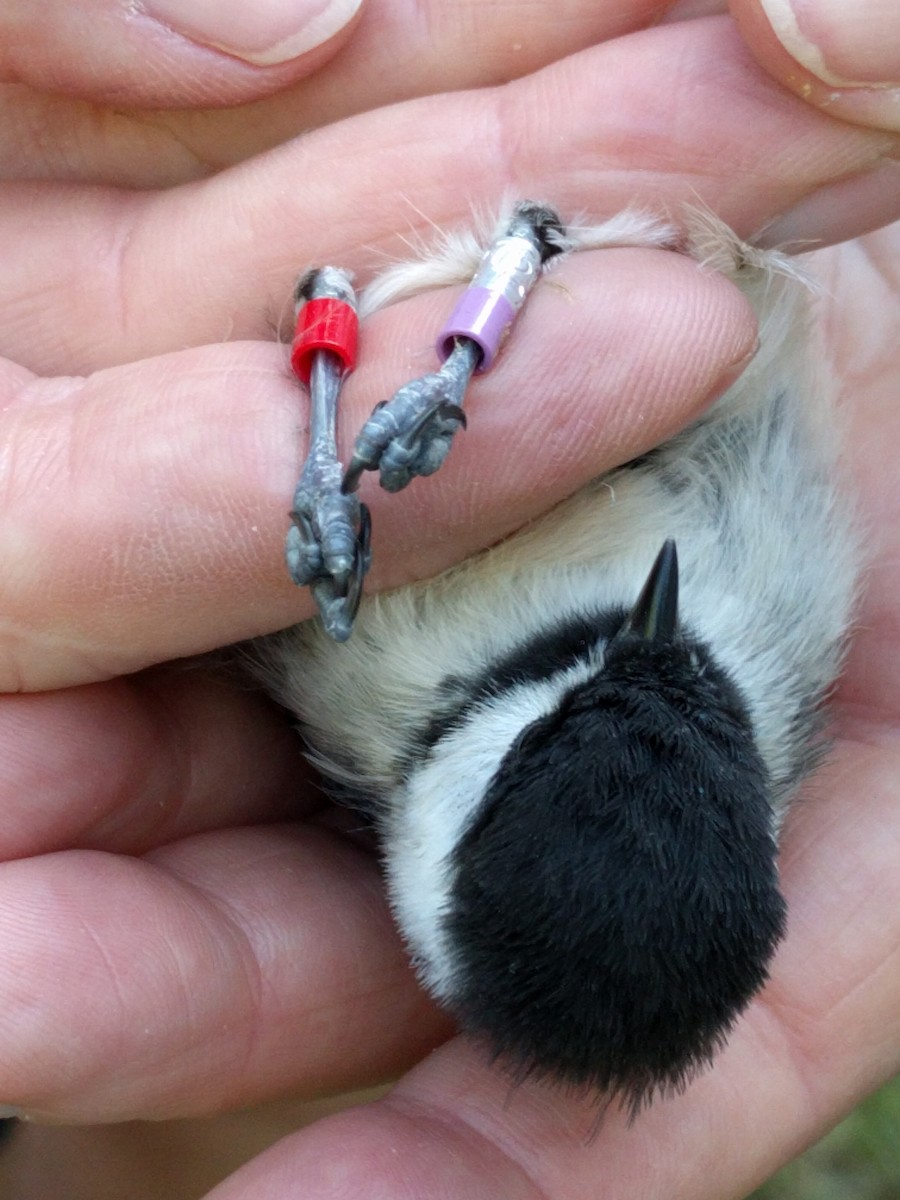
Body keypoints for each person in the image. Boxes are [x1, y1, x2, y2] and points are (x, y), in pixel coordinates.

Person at [0, 1, 897, 1196]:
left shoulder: (359, 692)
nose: (660, 637)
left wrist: (328, 446)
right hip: (635, 170)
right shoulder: (764, 672)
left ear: (440, 834)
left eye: (558, 704)